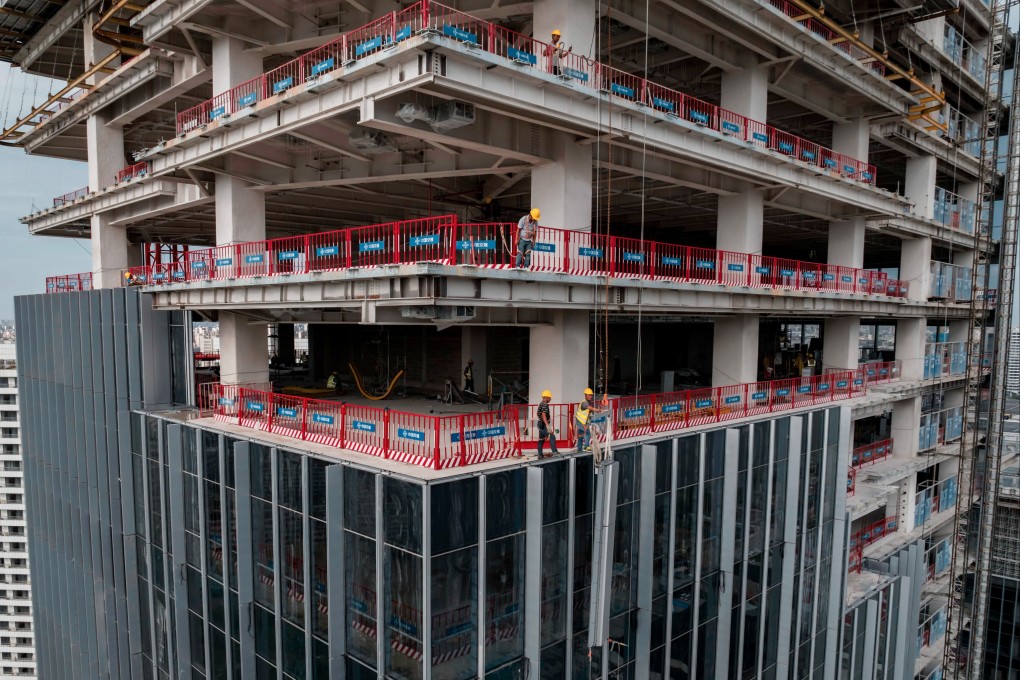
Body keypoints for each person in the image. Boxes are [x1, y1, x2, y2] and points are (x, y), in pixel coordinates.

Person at [575, 387, 602, 452]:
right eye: (589, 395)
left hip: (583, 421)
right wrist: (597, 410)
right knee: (587, 431)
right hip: (580, 421)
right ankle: (586, 447)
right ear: (585, 395)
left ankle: (579, 448)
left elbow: (588, 411)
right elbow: (590, 408)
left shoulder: (588, 402)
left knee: (581, 434)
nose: (590, 396)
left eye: (591, 395)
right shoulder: (585, 403)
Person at [536, 389, 559, 458]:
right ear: (547, 397)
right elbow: (543, 415)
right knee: (552, 436)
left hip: (540, 424)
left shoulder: (541, 403)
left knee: (541, 439)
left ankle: (540, 454)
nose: (550, 399)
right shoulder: (544, 405)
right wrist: (547, 426)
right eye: (550, 397)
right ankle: (555, 452)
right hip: (543, 424)